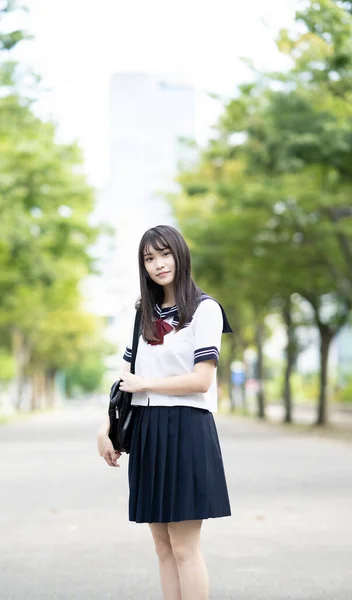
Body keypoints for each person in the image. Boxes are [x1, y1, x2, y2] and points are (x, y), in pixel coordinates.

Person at [97, 224, 232, 600]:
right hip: (147, 429)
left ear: (180, 254)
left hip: (187, 428)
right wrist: (105, 427)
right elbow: (126, 376)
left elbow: (201, 380)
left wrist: (147, 384)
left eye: (164, 253)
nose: (158, 264)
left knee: (186, 546)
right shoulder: (144, 312)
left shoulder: (205, 310)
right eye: (149, 258)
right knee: (162, 547)